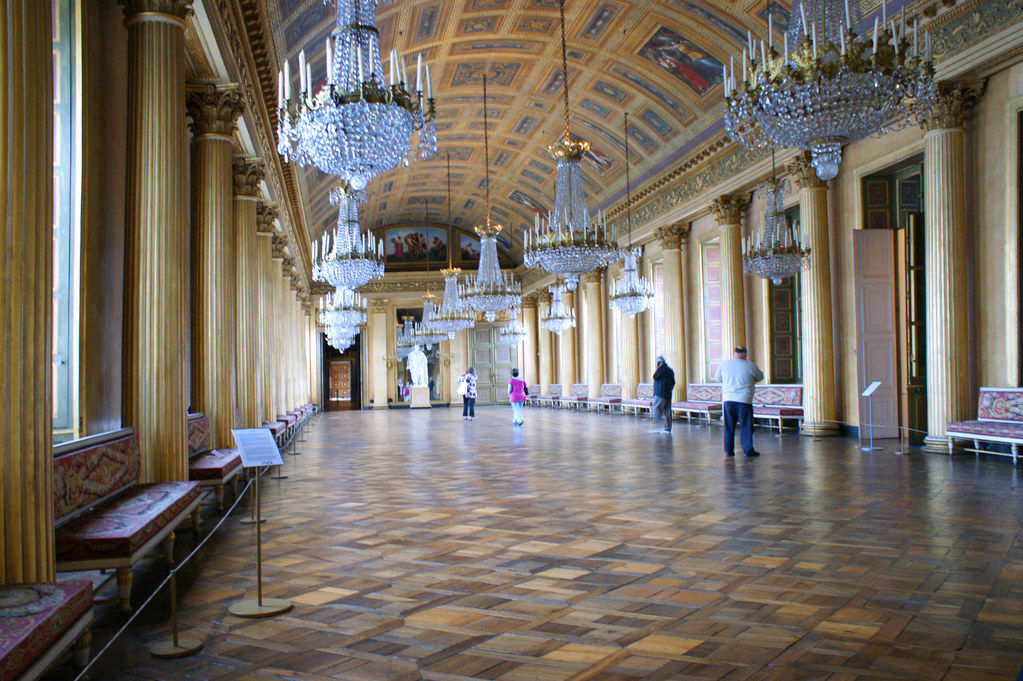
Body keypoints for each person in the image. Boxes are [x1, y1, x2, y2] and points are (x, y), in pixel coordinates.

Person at [714, 346, 764, 457]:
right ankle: (747, 449)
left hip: (728, 400)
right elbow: (760, 377)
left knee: (729, 425)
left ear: (734, 353)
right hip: (744, 400)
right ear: (745, 354)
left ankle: (728, 450)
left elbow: (717, 378)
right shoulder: (750, 365)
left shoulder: (724, 365)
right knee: (746, 425)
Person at [652, 356, 675, 433]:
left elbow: (655, 377)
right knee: (667, 411)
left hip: (659, 393)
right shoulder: (670, 370)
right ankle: (668, 428)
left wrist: (657, 368)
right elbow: (673, 382)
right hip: (668, 394)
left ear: (659, 363)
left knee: (655, 407)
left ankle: (656, 424)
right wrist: (669, 390)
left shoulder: (660, 370)